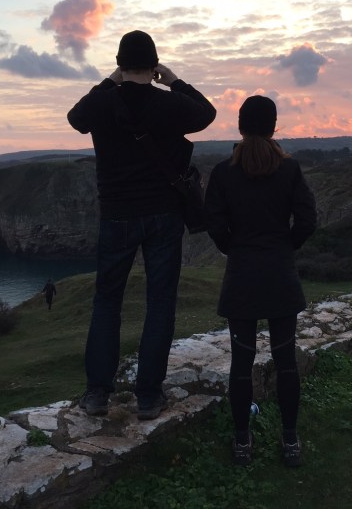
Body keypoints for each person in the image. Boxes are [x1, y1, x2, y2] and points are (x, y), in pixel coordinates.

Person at [67, 30, 216, 419]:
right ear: (153, 66)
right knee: (160, 302)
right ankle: (148, 396)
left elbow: (75, 117)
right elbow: (207, 113)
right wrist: (174, 80)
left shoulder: (103, 104)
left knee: (107, 302)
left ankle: (98, 393)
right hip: (163, 215)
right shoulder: (168, 104)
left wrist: (109, 81)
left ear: (119, 64)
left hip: (116, 215)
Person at [204, 95, 317, 467]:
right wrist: (286, 246)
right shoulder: (290, 170)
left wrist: (234, 249)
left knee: (241, 363)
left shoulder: (223, 173)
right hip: (280, 276)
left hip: (242, 278)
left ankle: (242, 443)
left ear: (240, 126)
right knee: (286, 362)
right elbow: (306, 220)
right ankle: (290, 441)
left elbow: (216, 225)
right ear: (273, 127)